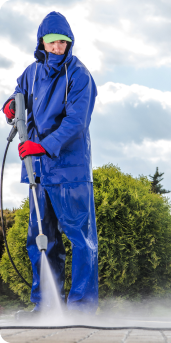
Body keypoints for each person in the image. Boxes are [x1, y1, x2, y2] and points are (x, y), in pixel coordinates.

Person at [1, 11, 98, 315]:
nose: (58, 48)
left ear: (70, 44)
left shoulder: (79, 75)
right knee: (41, 240)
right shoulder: (32, 72)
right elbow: (19, 93)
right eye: (53, 42)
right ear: (42, 42)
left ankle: (81, 310)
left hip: (69, 171)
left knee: (80, 240)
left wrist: (42, 146)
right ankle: (45, 307)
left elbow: (76, 123)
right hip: (38, 171)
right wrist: (10, 105)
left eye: (63, 43)